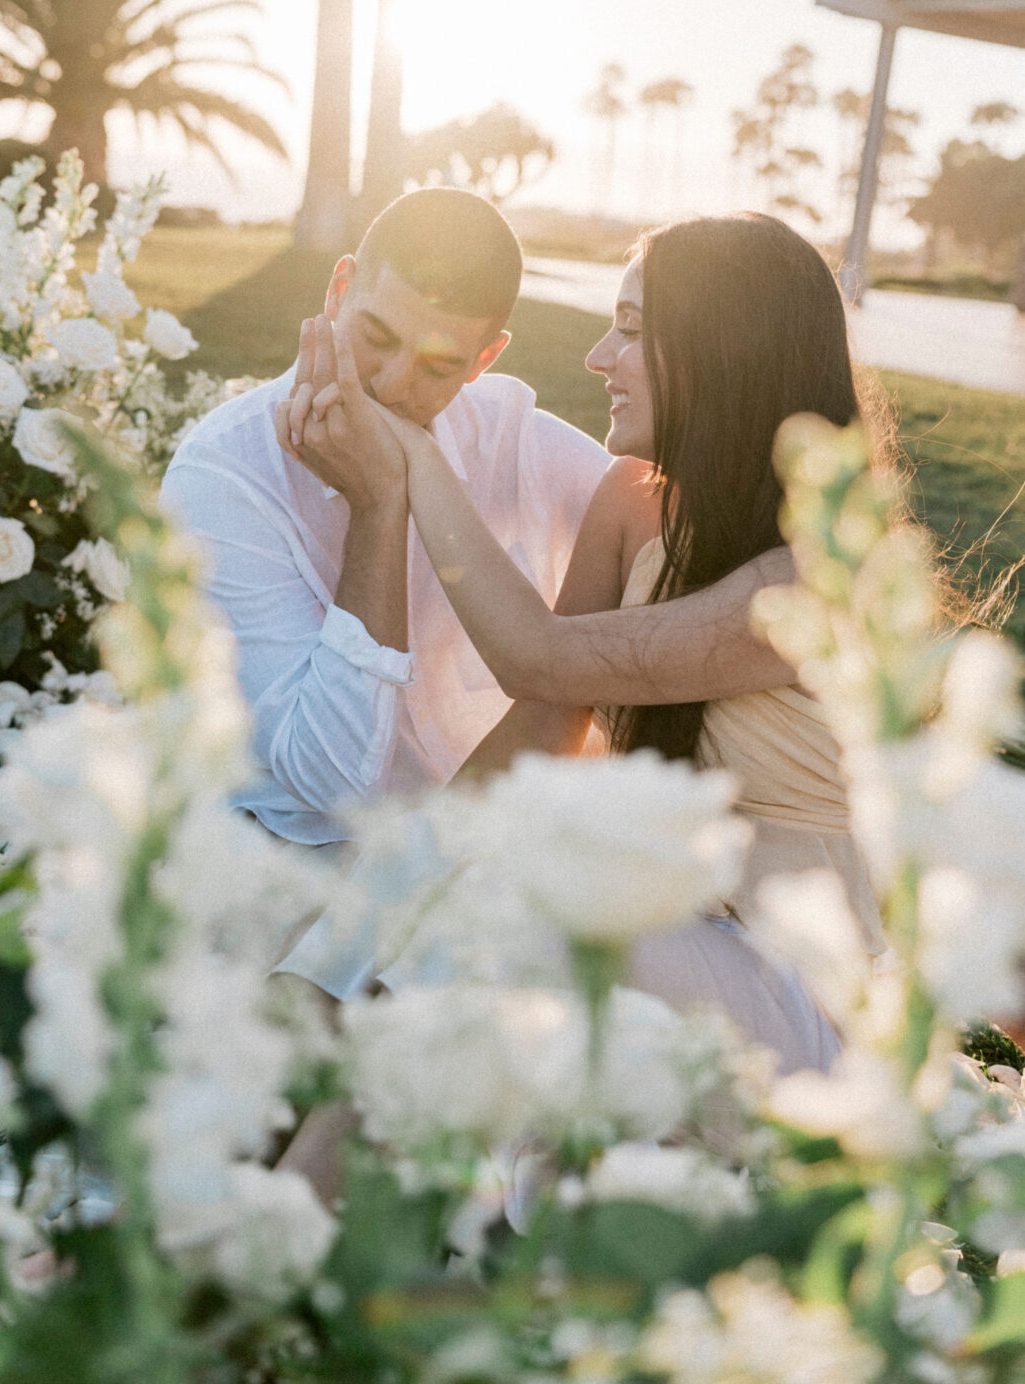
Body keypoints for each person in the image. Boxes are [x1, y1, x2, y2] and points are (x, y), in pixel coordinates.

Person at [280, 213, 887, 1073]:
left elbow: (538, 656)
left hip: (791, 993)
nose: (599, 356)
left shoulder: (813, 577)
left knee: (513, 918)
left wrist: (410, 454)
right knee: (377, 927)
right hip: (654, 933)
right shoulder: (632, 500)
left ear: (725, 351)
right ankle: (288, 1181)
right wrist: (366, 917)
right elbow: (542, 725)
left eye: (633, 331)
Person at [162, 190, 793, 990]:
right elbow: (330, 785)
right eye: (374, 339)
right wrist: (378, 510)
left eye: (437, 367)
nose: (390, 388)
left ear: (485, 359)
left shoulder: (510, 437)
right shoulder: (226, 475)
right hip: (299, 856)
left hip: (471, 847)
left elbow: (677, 532)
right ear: (338, 289)